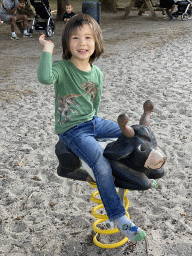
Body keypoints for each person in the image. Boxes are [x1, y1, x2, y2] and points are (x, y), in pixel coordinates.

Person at [37, 14, 147, 242]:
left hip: (92, 122)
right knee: (101, 165)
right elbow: (45, 78)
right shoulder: (62, 68)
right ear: (68, 43)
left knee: (135, 133)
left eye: (88, 37)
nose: (82, 42)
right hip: (72, 130)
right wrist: (47, 49)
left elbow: (94, 105)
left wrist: (99, 128)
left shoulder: (97, 73)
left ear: (96, 42)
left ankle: (144, 172)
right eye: (75, 38)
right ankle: (119, 217)